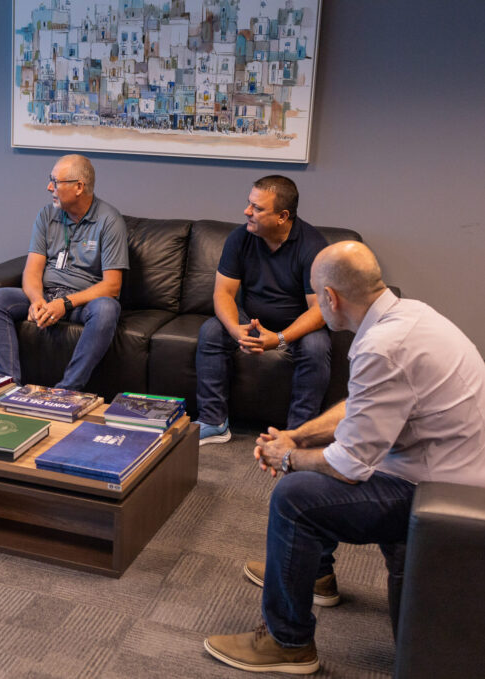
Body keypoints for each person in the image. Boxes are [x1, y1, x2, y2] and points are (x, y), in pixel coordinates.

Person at [204, 241, 485, 674]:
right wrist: (296, 435)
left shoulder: (382, 347)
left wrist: (287, 458)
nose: (317, 305)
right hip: (443, 468)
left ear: (331, 298)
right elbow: (360, 407)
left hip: (436, 491)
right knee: (307, 472)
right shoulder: (409, 315)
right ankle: (312, 574)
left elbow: (348, 467)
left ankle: (288, 643)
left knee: (296, 497)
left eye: (316, 297)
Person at [194, 176, 330, 445]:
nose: (247, 212)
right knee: (211, 330)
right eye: (249, 204)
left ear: (282, 216)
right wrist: (236, 330)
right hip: (251, 317)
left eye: (257, 208)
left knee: (316, 348)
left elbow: (320, 311)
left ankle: (296, 435)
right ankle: (214, 422)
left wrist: (279, 338)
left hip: (297, 324)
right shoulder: (240, 238)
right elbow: (223, 293)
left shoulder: (313, 246)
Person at [0, 155, 128, 390]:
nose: (49, 187)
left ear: (79, 187)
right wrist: (37, 300)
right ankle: (6, 387)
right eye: (50, 180)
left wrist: (65, 304)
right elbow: (32, 270)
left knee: (107, 309)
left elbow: (112, 286)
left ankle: (67, 390)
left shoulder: (109, 221)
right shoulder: (46, 215)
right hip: (48, 294)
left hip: (81, 302)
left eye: (56, 181)